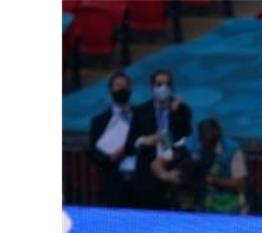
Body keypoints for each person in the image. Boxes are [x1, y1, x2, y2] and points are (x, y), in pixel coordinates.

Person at [125, 69, 194, 209]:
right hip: (147, 175)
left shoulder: (182, 110)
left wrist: (174, 113)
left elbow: (185, 137)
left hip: (174, 173)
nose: (164, 88)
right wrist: (144, 140)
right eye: (159, 84)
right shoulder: (141, 111)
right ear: (152, 87)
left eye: (167, 84)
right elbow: (129, 145)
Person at [153, 118, 249, 214]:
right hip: (196, 203)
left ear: (218, 136)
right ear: (199, 137)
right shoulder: (187, 144)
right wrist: (166, 175)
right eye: (205, 140)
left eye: (212, 141)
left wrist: (212, 180)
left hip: (225, 207)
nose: (208, 144)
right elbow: (157, 163)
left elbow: (240, 184)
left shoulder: (232, 150)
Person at [87, 70, 135, 208]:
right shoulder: (99, 121)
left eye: (125, 86)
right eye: (118, 86)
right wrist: (110, 158)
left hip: (139, 181)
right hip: (113, 181)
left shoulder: (141, 115)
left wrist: (127, 149)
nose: (122, 89)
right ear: (110, 90)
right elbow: (93, 152)